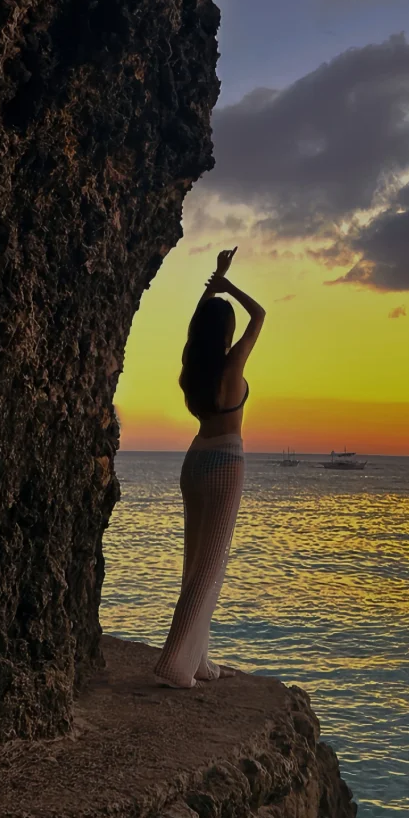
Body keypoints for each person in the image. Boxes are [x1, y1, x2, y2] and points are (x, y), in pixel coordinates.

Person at [153, 247, 265, 687]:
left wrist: (215, 283)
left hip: (194, 461)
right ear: (226, 334)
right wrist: (226, 285)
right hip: (224, 464)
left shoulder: (196, 368)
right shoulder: (231, 366)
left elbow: (196, 327)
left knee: (195, 561)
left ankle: (198, 658)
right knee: (209, 566)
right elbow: (259, 315)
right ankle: (173, 664)